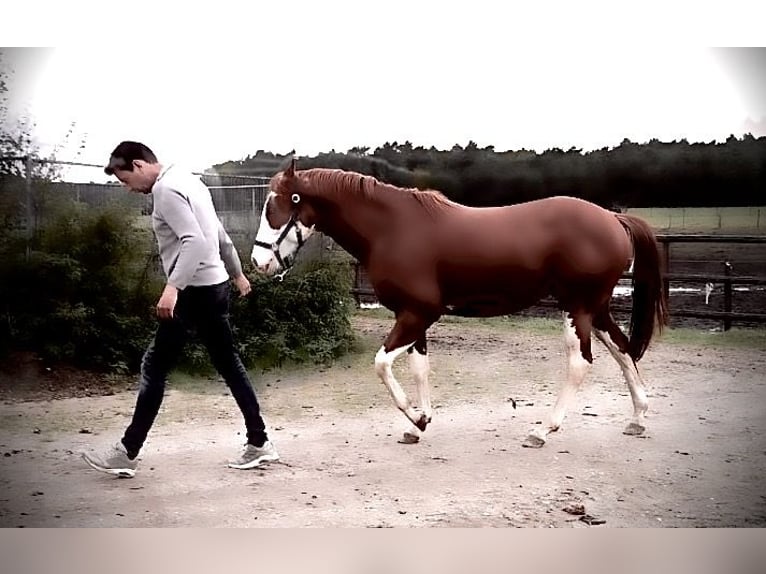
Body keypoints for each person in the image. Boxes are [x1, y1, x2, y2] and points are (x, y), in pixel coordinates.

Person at [82, 141, 278, 477]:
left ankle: (127, 452)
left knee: (154, 367)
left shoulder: (166, 190)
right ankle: (259, 442)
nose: (129, 189)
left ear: (140, 165)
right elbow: (217, 234)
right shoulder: (190, 181)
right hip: (214, 287)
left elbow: (195, 241)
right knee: (228, 364)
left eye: (126, 179)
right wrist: (237, 275)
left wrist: (173, 287)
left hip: (192, 292)